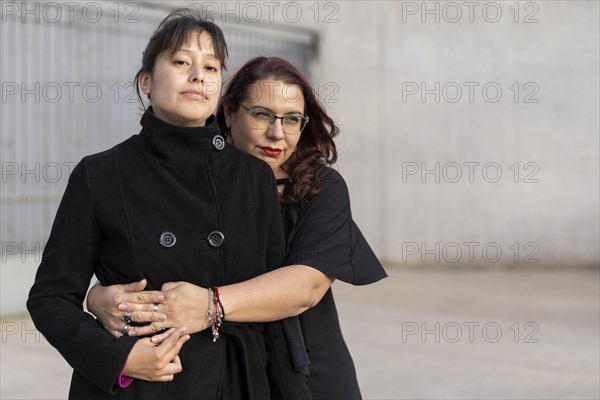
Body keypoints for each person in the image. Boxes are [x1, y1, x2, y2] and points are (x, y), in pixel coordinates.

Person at [27, 9, 293, 400]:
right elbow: (50, 298)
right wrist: (120, 358)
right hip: (140, 386)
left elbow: (271, 298)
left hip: (235, 383)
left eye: (212, 67)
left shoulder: (252, 177)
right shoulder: (101, 174)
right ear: (147, 81)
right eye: (182, 61)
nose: (198, 75)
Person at [87, 56, 388, 399]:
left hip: (307, 368)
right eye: (261, 114)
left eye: (292, 120)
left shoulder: (320, 187)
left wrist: (209, 305)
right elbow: (150, 262)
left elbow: (305, 287)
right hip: (218, 370)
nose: (277, 133)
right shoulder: (190, 181)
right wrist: (100, 296)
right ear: (229, 112)